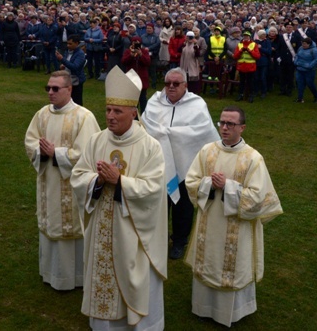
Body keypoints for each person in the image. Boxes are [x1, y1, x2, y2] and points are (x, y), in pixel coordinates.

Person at [71, 66, 168, 330]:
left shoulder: (150, 147)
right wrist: (97, 181)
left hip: (133, 231)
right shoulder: (96, 140)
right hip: (101, 223)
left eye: (117, 112)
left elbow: (154, 189)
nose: (110, 117)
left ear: (133, 113)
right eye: (107, 110)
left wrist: (120, 181)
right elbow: (78, 175)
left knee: (132, 276)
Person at [185, 106, 283, 327]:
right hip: (209, 223)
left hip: (236, 229)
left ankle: (230, 313)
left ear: (242, 127)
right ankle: (203, 307)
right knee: (208, 262)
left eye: (230, 124)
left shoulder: (253, 158)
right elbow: (191, 182)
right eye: (221, 123)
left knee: (232, 267)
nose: (225, 127)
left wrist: (227, 187)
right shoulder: (207, 151)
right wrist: (210, 184)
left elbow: (257, 198)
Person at [24, 70, 99, 290]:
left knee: (71, 230)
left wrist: (56, 153)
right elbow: (30, 141)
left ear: (69, 89)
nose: (50, 92)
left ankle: (72, 278)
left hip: (72, 187)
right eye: (48, 88)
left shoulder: (84, 117)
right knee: (50, 226)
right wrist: (41, 152)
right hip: (49, 181)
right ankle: (50, 272)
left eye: (55, 88)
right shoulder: (42, 115)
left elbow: (88, 154)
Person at [142, 68, 220, 261]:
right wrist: (167, 134)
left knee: (182, 204)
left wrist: (167, 133)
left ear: (185, 85)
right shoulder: (154, 102)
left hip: (186, 164)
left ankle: (179, 240)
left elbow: (202, 132)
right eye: (167, 83)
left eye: (176, 84)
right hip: (159, 164)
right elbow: (145, 125)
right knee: (158, 203)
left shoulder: (197, 104)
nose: (171, 87)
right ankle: (156, 238)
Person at [122, 36, 151, 113]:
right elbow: (123, 62)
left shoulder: (144, 51)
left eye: (138, 43)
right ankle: (133, 116)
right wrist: (131, 55)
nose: (136, 44)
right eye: (134, 43)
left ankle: (143, 114)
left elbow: (147, 62)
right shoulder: (128, 51)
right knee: (132, 99)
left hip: (142, 78)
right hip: (131, 78)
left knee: (143, 98)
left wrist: (141, 54)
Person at [56, 35, 87, 106]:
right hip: (67, 79)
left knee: (76, 102)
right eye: (67, 43)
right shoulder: (68, 51)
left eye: (70, 44)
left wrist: (62, 59)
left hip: (76, 81)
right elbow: (68, 63)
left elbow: (75, 67)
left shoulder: (80, 54)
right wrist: (63, 66)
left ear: (76, 43)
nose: (68, 45)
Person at [233, 30, 260, 102]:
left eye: (247, 36)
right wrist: (241, 51)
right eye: (244, 36)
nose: (246, 37)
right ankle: (240, 94)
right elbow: (235, 56)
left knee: (250, 82)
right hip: (242, 66)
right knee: (241, 82)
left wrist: (249, 51)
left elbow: (257, 56)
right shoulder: (239, 45)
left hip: (250, 67)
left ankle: (251, 95)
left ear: (249, 37)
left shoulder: (254, 44)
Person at [293, 37, 317, 103]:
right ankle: (300, 98)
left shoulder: (314, 50)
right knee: (300, 84)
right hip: (300, 69)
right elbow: (297, 55)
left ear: (309, 44)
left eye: (305, 44)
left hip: (309, 71)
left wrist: (309, 65)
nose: (303, 45)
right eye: (302, 43)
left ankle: (316, 96)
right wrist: (296, 62)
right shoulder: (300, 48)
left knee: (310, 83)